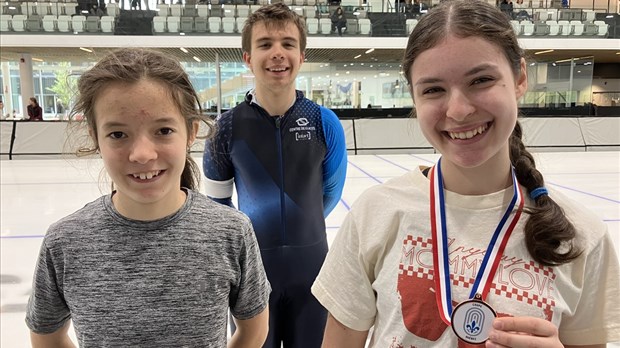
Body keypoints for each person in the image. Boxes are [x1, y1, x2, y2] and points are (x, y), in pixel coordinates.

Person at [312, 1, 620, 347]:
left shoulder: (582, 236)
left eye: (481, 80)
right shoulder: (374, 213)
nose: (458, 110)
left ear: (520, 78)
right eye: (433, 90)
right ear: (414, 96)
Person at [25, 48, 271, 348]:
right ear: (95, 137)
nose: (142, 154)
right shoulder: (64, 242)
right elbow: (46, 336)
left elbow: (253, 330)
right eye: (118, 134)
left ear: (191, 131)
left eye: (163, 130)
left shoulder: (231, 232)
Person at [202, 3, 347, 348]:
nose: (277, 53)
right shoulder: (225, 129)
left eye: (288, 43)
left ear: (302, 54)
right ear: (248, 58)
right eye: (265, 44)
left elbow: (329, 194)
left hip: (313, 270)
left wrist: (300, 225)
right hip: (252, 276)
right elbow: (218, 207)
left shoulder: (323, 122)